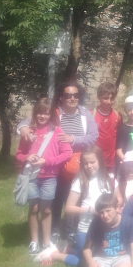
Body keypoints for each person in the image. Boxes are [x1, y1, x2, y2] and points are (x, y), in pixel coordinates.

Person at [19, 82, 99, 236]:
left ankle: (71, 230)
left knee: (76, 196)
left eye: (75, 95)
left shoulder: (85, 114)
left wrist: (73, 139)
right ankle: (54, 230)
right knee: (56, 197)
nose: (72, 98)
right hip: (56, 163)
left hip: (78, 163)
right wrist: (22, 127)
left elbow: (93, 136)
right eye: (68, 95)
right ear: (61, 97)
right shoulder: (55, 111)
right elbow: (31, 119)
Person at [16, 98, 72, 256]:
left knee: (46, 210)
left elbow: (67, 153)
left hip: (49, 177)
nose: (42, 116)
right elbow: (19, 154)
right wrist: (27, 157)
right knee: (34, 208)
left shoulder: (57, 132)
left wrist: (47, 161)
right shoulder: (29, 132)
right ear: (35, 113)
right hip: (32, 177)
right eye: (39, 113)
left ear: (51, 115)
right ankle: (34, 241)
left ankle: (46, 241)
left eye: (46, 113)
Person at [57, 146, 113, 267]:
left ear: (100, 161)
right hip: (86, 229)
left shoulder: (107, 180)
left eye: (92, 162)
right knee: (84, 264)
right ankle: (56, 255)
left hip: (103, 229)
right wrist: (89, 210)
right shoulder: (80, 181)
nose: (89, 166)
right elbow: (68, 208)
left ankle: (72, 249)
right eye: (86, 163)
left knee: (104, 258)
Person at [82, 194, 133, 267]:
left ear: (117, 208)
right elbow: (86, 249)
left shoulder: (128, 222)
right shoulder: (96, 223)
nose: (105, 215)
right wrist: (91, 262)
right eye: (101, 212)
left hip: (121, 257)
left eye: (108, 211)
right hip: (101, 259)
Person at [93, 82, 121, 173]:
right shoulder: (91, 115)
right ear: (99, 97)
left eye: (112, 98)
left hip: (111, 162)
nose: (109, 102)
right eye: (105, 98)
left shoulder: (118, 116)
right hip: (95, 161)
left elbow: (120, 138)